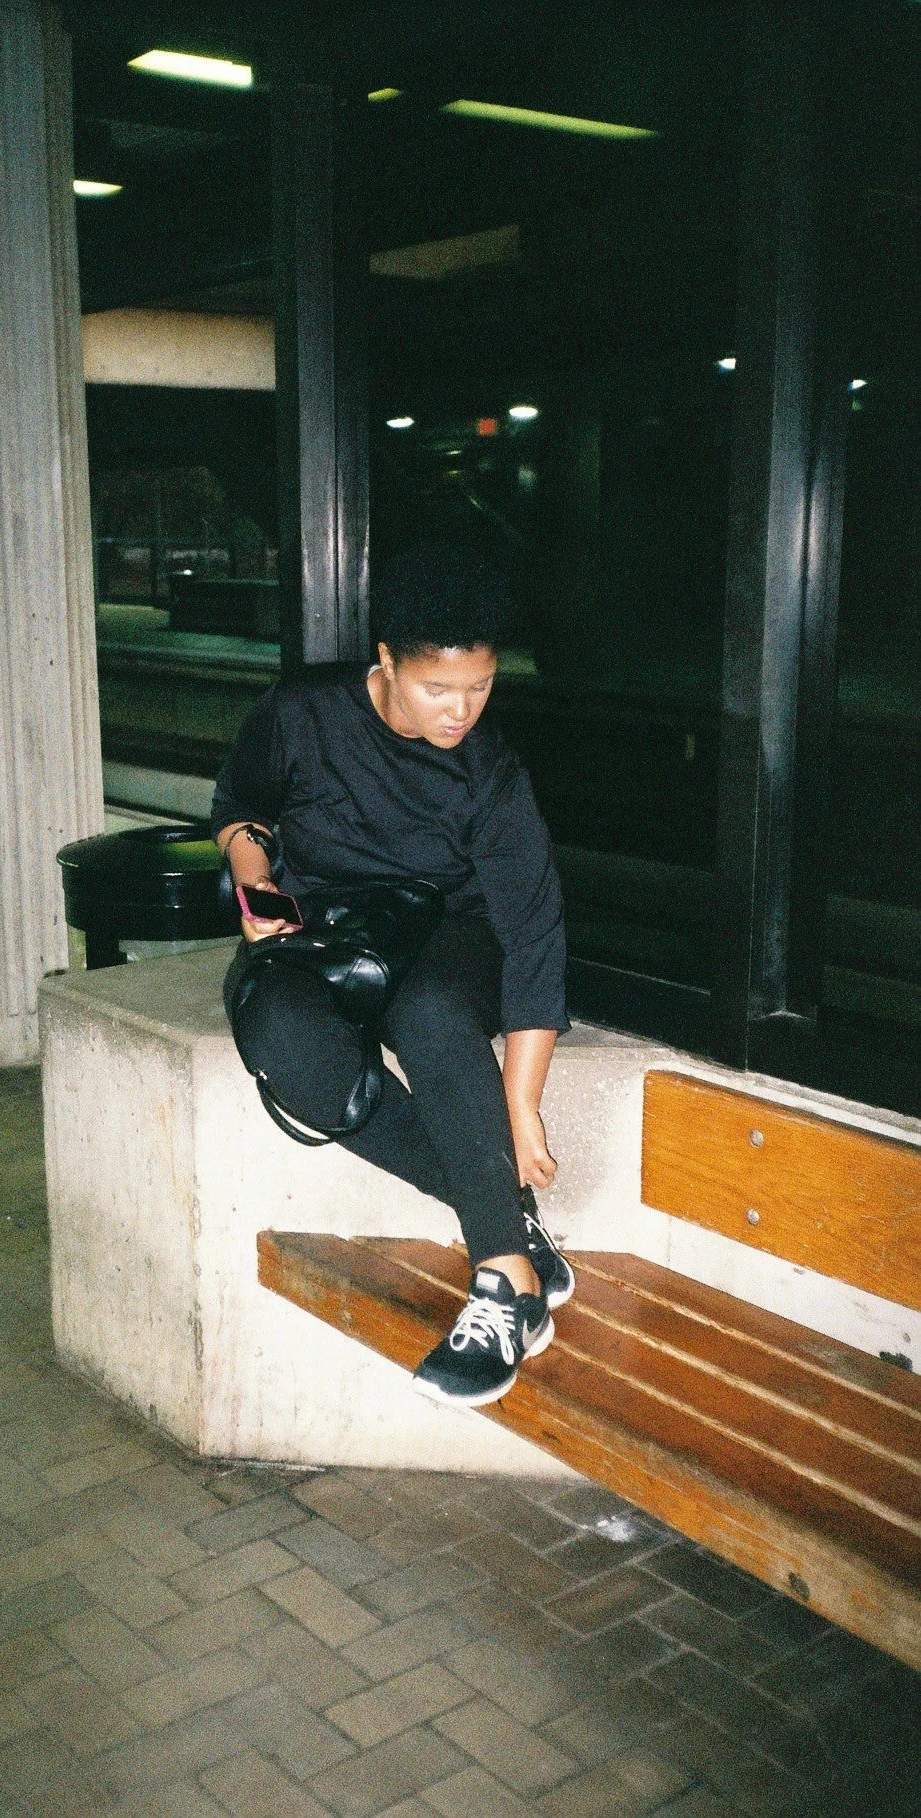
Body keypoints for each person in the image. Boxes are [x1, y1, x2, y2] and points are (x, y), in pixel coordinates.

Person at [211, 542, 573, 1408]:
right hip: (330, 927)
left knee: (433, 1011)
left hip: (452, 932)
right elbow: (241, 806)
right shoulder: (302, 715)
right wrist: (253, 875)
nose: (460, 711)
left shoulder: (491, 774)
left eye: (479, 688)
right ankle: (505, 1216)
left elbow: (533, 937)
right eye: (437, 689)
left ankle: (506, 1284)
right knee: (282, 1040)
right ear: (386, 665)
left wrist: (521, 1109)